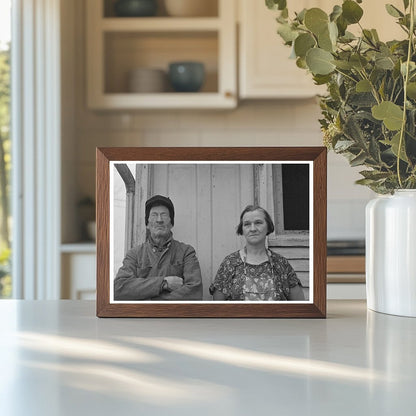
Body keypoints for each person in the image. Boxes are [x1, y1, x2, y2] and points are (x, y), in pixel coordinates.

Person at [114, 195, 203, 301]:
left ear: (171, 223)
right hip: (142, 317)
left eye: (164, 215)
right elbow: (119, 289)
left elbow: (195, 292)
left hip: (174, 317)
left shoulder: (186, 252)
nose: (159, 220)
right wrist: (163, 283)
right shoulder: (134, 254)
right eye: (154, 215)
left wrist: (148, 301)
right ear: (147, 224)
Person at [210, 205, 305, 301]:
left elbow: (300, 305)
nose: (253, 229)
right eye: (247, 224)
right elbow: (218, 307)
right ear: (242, 229)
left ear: (268, 227)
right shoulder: (230, 263)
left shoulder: (281, 263)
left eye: (258, 223)